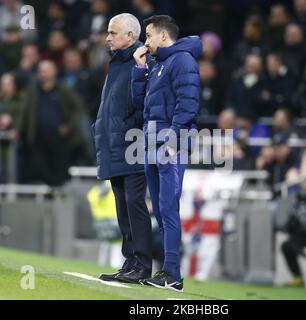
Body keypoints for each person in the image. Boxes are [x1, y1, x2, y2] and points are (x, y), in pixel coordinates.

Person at [132, 15, 201, 291]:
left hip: (169, 144)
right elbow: (143, 106)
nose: (145, 41)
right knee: (161, 211)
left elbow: (189, 101)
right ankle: (167, 272)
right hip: (151, 144)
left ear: (163, 36)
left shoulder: (182, 60)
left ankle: (173, 274)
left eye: (148, 35)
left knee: (168, 209)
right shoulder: (158, 65)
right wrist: (139, 70)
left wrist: (174, 138)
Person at [93, 14, 152, 284]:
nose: (107, 37)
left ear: (130, 36)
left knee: (134, 204)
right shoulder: (117, 62)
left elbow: (145, 105)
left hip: (133, 146)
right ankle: (130, 261)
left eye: (113, 32)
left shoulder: (141, 61)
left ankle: (142, 264)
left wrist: (128, 128)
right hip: (116, 145)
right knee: (123, 207)